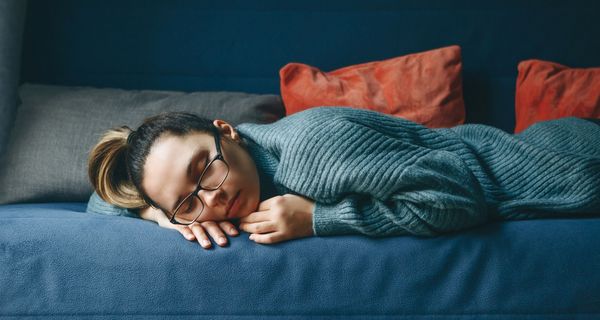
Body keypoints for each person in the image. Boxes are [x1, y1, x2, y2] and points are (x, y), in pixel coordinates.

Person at [86, 106, 600, 249]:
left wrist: (322, 219)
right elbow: (100, 203)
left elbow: (459, 197)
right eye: (191, 199)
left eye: (205, 167)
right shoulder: (191, 203)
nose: (214, 195)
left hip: (567, 165)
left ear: (228, 132)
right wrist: (163, 216)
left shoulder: (312, 149)